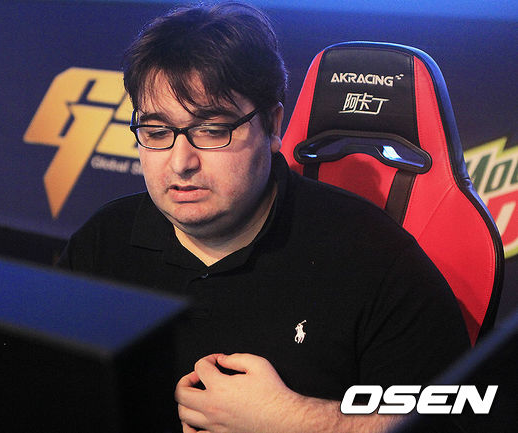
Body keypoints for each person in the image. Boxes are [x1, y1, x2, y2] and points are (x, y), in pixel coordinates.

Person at [58, 2, 470, 432]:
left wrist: (291, 420)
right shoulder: (101, 244)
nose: (180, 162)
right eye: (157, 132)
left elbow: (458, 421)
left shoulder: (376, 260)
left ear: (273, 126)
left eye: (212, 130)